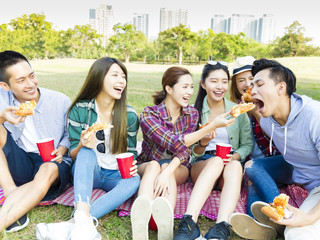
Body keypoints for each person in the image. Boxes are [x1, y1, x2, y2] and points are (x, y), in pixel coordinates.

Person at [234, 58, 320, 240]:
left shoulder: (318, 117)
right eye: (251, 86)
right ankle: (274, 218)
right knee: (297, 234)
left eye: (259, 85)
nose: (252, 91)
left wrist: (311, 217)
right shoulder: (269, 122)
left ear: (280, 88)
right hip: (317, 185)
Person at [39, 57, 140, 240]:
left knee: (134, 181)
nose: (121, 81)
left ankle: (75, 223)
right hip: (88, 171)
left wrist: (132, 165)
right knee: (86, 151)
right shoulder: (80, 109)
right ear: (99, 77)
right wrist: (81, 145)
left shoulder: (130, 115)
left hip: (114, 174)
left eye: (123, 77)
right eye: (115, 75)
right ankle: (84, 216)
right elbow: (73, 153)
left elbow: (131, 151)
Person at [131, 66, 235, 240]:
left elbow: (184, 151)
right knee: (155, 166)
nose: (189, 92)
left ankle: (166, 222)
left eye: (191, 87)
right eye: (184, 87)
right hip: (149, 164)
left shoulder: (191, 114)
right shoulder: (149, 114)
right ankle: (141, 219)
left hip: (178, 166)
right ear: (169, 89)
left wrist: (169, 170)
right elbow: (173, 141)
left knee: (165, 167)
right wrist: (212, 125)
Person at [174, 61, 253, 240]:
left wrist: (235, 156)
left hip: (229, 168)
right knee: (216, 160)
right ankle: (188, 222)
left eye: (224, 81)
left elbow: (247, 144)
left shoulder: (237, 110)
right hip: (202, 165)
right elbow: (188, 150)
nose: (220, 86)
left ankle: (222, 226)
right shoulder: (193, 112)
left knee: (234, 166)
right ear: (203, 84)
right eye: (214, 81)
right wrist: (203, 143)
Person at [0, 50, 72, 234]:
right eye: (21, 80)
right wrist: (1, 117)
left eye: (32, 76)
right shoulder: (3, 100)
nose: (31, 84)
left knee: (48, 168)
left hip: (53, 162)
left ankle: (4, 217)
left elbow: (71, 135)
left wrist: (63, 149)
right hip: (20, 161)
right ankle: (11, 193)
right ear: (5, 86)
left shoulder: (60, 100)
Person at [228, 56, 294, 239]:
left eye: (252, 79)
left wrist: (255, 112)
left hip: (283, 162)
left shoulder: (271, 104)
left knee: (253, 168)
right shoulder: (236, 109)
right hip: (258, 166)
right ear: (235, 86)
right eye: (241, 80)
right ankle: (257, 224)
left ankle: (281, 213)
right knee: (251, 176)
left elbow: (278, 138)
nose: (248, 84)